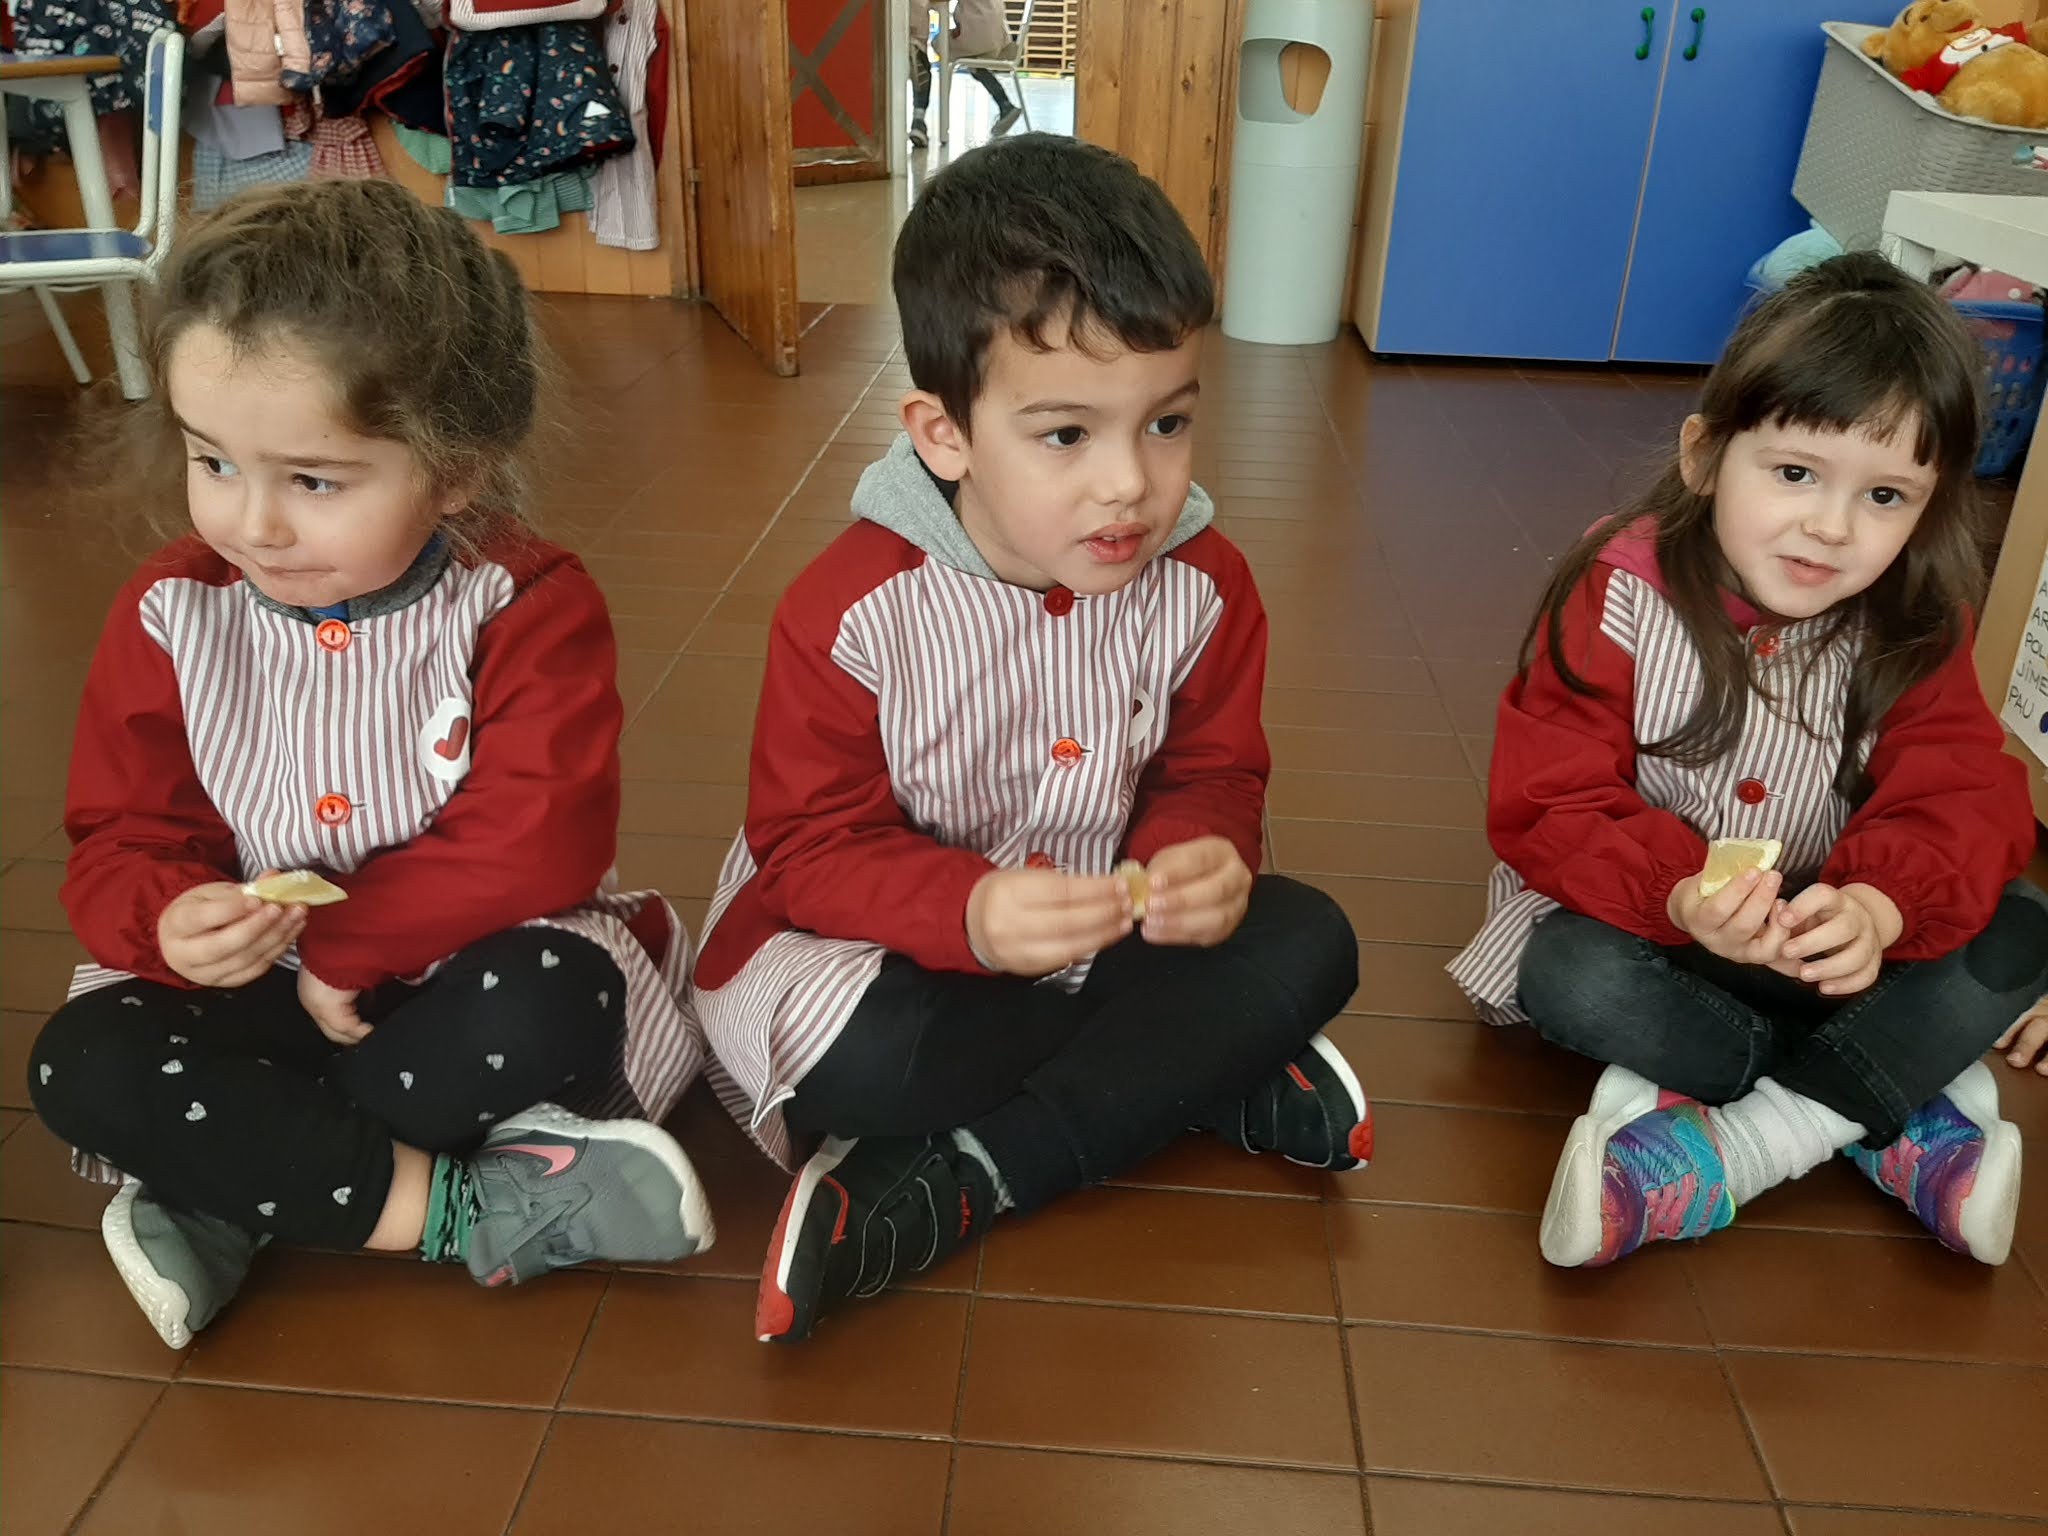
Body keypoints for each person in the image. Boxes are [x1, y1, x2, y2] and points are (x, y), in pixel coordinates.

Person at [691, 135, 1367, 1344]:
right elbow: (807, 848)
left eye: (1166, 423)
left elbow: (1212, 774)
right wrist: (969, 913)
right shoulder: (850, 611)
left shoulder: (1207, 586)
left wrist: (1200, 855)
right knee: (868, 1060)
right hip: (890, 955)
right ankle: (1194, 1073)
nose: (1129, 485)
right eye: (1066, 436)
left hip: (1099, 942)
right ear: (942, 434)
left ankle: (966, 1176)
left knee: (1309, 938)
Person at [25, 178, 713, 1351]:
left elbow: (538, 842)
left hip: (453, 979)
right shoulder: (170, 611)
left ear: (458, 470)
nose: (253, 524)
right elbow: (124, 835)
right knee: (83, 1063)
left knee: (553, 997)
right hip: (259, 986)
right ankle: (463, 1208)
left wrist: (351, 946)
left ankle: (243, 1180)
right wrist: (167, 918)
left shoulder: (522, 604)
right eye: (212, 462)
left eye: (313, 480)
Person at [1447, 252, 2047, 1270]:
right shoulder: (1618, 591)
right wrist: (1679, 895)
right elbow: (1551, 802)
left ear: (1931, 503)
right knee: (1570, 975)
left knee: (2023, 928)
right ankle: (1885, 1102)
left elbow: (1959, 794)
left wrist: (1879, 908)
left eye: (1885, 495)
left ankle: (1733, 1144)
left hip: (1828, 941)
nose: (1830, 527)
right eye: (1794, 474)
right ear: (1704, 456)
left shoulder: (1915, 621)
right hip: (1660, 926)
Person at [908, 0, 1021, 150]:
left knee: (937, 44)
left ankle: (919, 119)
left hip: (977, 33)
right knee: (971, 61)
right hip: (999, 36)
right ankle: (1004, 103)